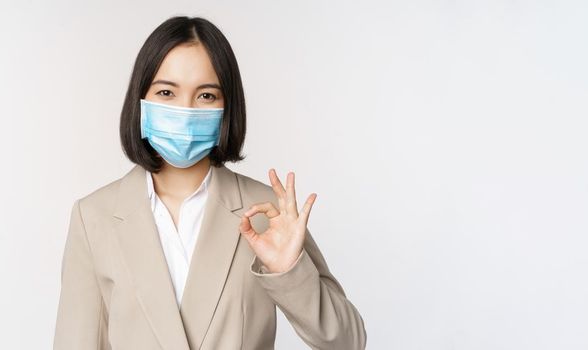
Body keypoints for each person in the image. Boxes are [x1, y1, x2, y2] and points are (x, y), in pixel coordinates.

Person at [54, 15, 366, 350]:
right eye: (166, 92)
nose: (185, 111)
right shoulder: (94, 217)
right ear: (140, 102)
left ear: (226, 107)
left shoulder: (266, 213)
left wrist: (289, 270)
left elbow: (347, 342)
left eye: (205, 96)